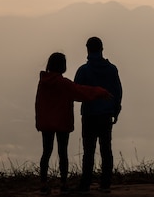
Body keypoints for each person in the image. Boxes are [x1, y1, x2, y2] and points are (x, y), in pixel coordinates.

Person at [35, 52, 112, 195]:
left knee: (46, 152)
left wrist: (40, 121)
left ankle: (43, 184)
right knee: (62, 153)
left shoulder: (43, 83)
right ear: (63, 66)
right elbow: (81, 91)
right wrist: (101, 92)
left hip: (46, 123)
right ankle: (63, 183)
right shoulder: (64, 84)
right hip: (62, 122)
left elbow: (38, 104)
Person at [74, 37, 123, 194]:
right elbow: (118, 92)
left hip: (89, 114)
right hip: (106, 114)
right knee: (106, 150)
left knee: (88, 151)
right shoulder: (112, 69)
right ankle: (105, 184)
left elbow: (77, 91)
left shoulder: (83, 70)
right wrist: (115, 110)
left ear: (87, 49)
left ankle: (85, 184)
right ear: (102, 49)